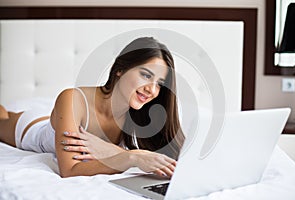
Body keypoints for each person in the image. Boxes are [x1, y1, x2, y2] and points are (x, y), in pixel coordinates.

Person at [0, 37, 185, 178]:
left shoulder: (139, 112)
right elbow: (70, 170)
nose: (152, 90)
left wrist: (112, 151)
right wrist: (132, 157)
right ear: (120, 69)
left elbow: (174, 160)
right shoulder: (71, 98)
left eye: (160, 83)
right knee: (3, 117)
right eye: (145, 75)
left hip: (63, 120)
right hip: (31, 128)